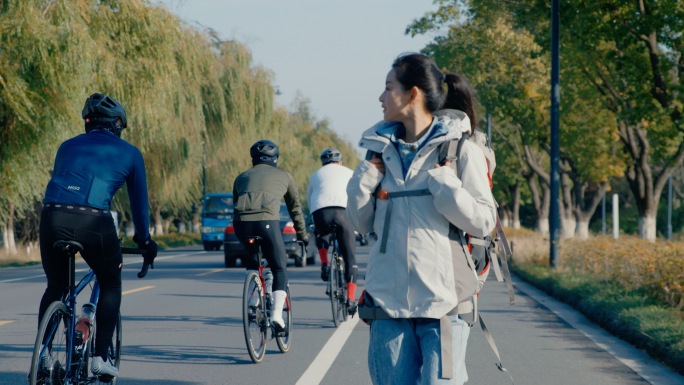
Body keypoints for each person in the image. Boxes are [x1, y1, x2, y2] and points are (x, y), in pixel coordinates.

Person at [345, 53, 496, 384]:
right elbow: (360, 224)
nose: (381, 97)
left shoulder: (459, 150)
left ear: (413, 94)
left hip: (445, 306)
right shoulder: (379, 153)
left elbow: (485, 220)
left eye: (388, 88)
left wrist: (447, 187)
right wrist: (364, 180)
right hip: (387, 306)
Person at [39, 93, 158, 378]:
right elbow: (139, 206)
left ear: (87, 123)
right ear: (118, 124)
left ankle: (43, 353)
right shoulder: (130, 153)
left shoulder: (66, 146)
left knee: (56, 287)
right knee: (110, 282)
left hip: (52, 215)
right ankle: (100, 358)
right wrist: (144, 241)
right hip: (94, 221)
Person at [232, 139, 309, 333]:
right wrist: (302, 234)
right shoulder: (285, 176)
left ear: (253, 160)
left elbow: (236, 201)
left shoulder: (241, 177)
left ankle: (253, 300)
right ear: (275, 158)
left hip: (241, 225)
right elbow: (295, 208)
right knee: (279, 268)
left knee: (253, 261)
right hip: (267, 223)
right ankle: (276, 316)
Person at [306, 147, 358, 314]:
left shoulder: (315, 175)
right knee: (350, 259)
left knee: (322, 233)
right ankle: (350, 299)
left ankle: (325, 263)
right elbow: (357, 196)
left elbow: (309, 200)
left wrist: (313, 221)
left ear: (323, 163)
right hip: (343, 212)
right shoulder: (349, 172)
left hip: (321, 211)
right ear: (340, 162)